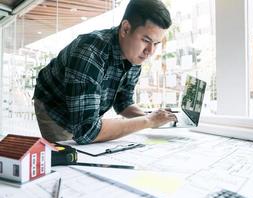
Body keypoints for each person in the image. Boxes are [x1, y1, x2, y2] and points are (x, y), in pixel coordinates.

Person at [33, 0, 177, 144]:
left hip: (84, 117)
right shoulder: (90, 52)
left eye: (156, 43)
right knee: (69, 157)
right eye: (146, 40)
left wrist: (154, 117)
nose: (150, 51)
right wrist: (148, 121)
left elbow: (123, 102)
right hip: (55, 106)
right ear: (125, 29)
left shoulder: (134, 55)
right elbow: (87, 131)